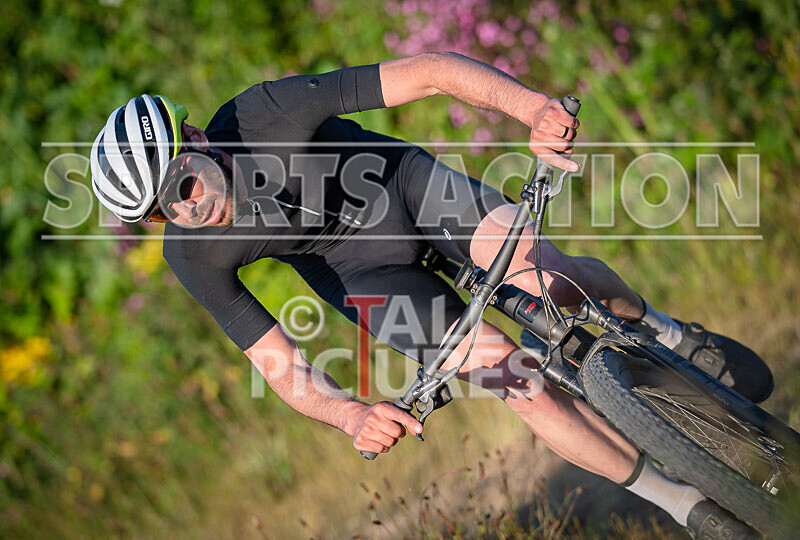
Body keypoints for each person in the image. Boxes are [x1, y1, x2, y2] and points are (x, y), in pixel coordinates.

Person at [90, 52, 767, 538]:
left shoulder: (263, 112)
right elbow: (278, 365)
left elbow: (429, 72)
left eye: (182, 182)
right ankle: (685, 505)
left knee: (543, 269)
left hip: (407, 190)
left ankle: (669, 332)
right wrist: (347, 415)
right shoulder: (192, 254)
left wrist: (532, 109)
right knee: (514, 380)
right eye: (159, 211)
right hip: (360, 273)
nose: (186, 208)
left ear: (199, 142)